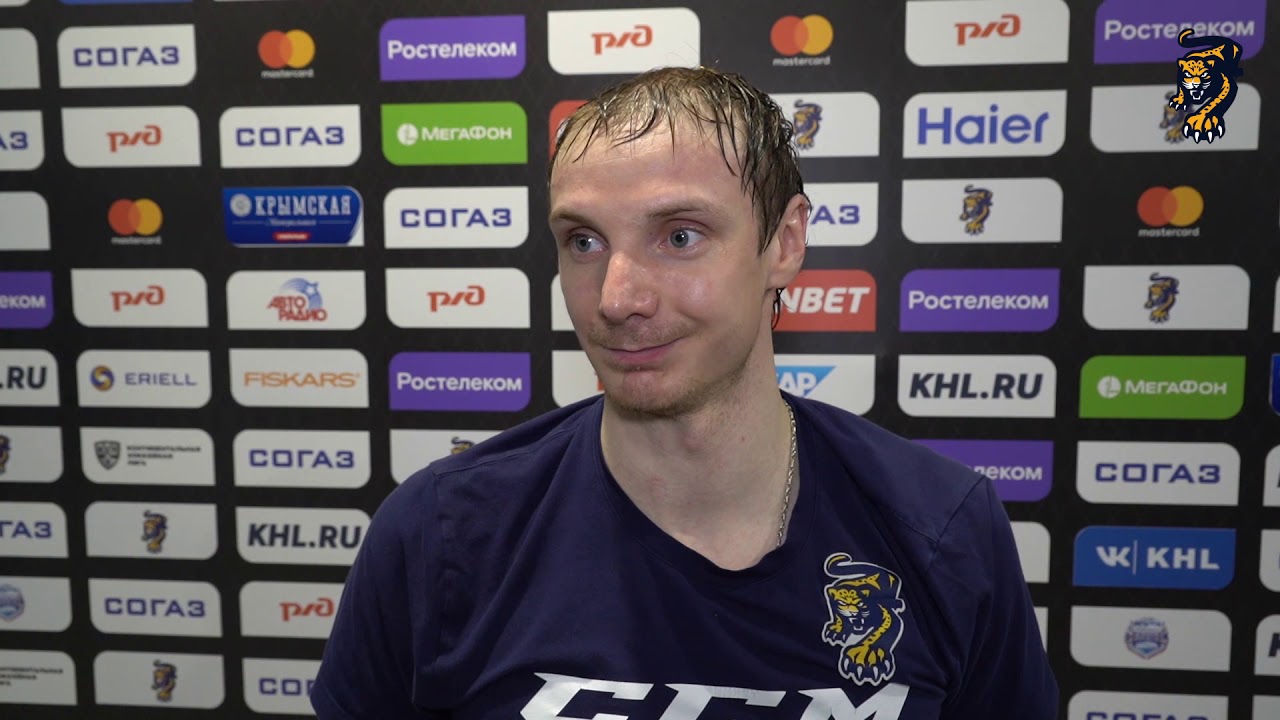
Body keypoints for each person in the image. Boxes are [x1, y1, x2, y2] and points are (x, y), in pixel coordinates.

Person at [311, 65, 1058, 719]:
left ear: (785, 243)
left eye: (679, 236)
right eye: (583, 242)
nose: (616, 298)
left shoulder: (942, 529)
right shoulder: (440, 535)